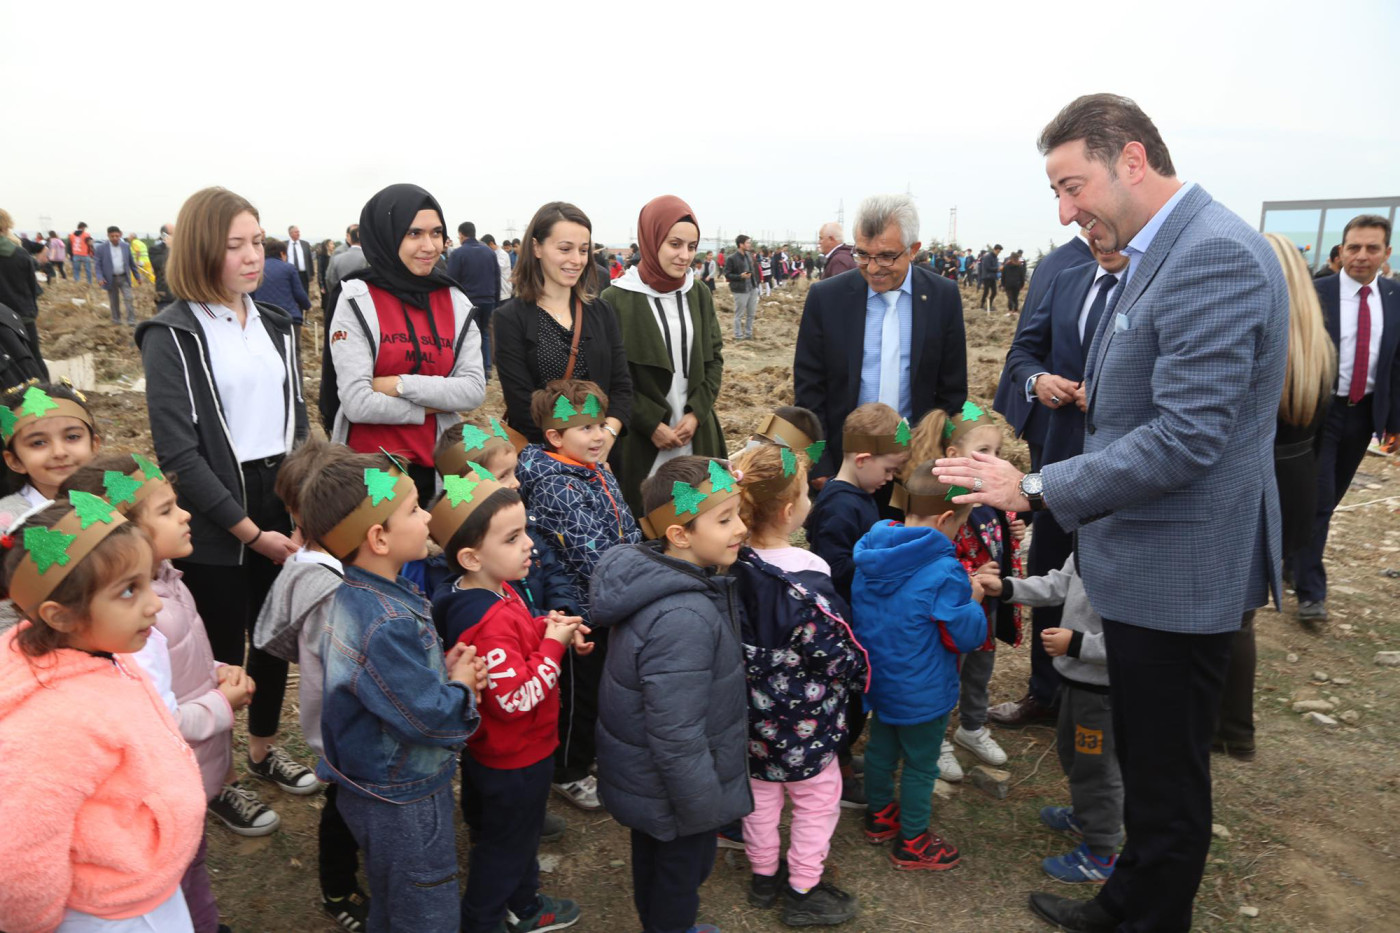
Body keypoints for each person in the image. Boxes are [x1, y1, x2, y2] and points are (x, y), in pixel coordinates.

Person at [934, 93, 1289, 932]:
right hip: (1146, 561)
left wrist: (1034, 487)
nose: (1066, 212)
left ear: (1131, 159)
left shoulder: (1212, 255)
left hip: (1181, 570)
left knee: (1167, 779)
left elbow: (1186, 437)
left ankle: (1148, 916)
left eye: (1072, 186)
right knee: (1148, 761)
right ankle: (1127, 900)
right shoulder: (1164, 251)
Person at [136, 186, 318, 815]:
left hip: (279, 495)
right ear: (200, 250)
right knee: (213, 652)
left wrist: (299, 506)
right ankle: (216, 781)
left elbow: (297, 420)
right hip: (216, 511)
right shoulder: (172, 333)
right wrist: (248, 532)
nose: (251, 256)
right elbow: (179, 453)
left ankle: (264, 749)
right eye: (234, 245)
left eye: (257, 242)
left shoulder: (276, 324)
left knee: (273, 637)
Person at [64, 454, 257, 933]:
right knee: (179, 870)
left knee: (193, 865)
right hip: (168, 785)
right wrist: (222, 704)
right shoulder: (135, 625)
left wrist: (217, 671)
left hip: (192, 770)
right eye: (168, 510)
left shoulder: (167, 580)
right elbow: (159, 717)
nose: (186, 514)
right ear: (125, 533)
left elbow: (183, 657)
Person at [0, 494, 206, 933]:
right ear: (60, 616)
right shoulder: (53, 723)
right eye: (129, 590)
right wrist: (34, 924)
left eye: (147, 582)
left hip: (139, 886)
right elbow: (17, 855)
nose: (154, 604)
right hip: (113, 914)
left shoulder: (99, 649)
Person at [307, 452, 489, 933]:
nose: (427, 516)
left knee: (394, 897)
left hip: (376, 787)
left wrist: (439, 672)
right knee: (425, 909)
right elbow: (428, 718)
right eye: (413, 509)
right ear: (379, 538)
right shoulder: (384, 621)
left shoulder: (362, 596)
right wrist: (461, 686)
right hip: (402, 798)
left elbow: (386, 688)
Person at [591, 456, 752, 933]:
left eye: (738, 514)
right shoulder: (684, 617)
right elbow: (676, 732)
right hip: (678, 792)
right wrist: (703, 809)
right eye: (724, 520)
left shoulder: (662, 579)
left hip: (656, 788)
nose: (741, 528)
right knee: (679, 880)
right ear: (680, 534)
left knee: (657, 868)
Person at [428, 469, 585, 933]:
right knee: (508, 846)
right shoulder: (490, 619)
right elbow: (515, 699)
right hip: (516, 757)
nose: (529, 544)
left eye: (525, 531)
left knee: (505, 835)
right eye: (513, 538)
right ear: (471, 556)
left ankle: (524, 901)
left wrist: (547, 628)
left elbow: (516, 642)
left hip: (490, 751)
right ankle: (485, 919)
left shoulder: (486, 589)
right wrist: (553, 648)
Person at [1213, 233, 1338, 762]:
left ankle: (1229, 726)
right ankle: (1234, 728)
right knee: (1244, 613)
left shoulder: (1253, 336)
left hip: (1251, 482)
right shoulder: (1317, 344)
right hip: (1296, 480)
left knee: (1229, 613)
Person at [730, 442, 866, 926]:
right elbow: (834, 654)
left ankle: (763, 877)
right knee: (816, 801)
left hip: (750, 721)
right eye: (807, 493)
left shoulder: (729, 566)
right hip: (806, 725)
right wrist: (857, 674)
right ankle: (803, 886)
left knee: (760, 799)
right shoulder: (809, 577)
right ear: (790, 511)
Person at [993, 241, 1128, 728]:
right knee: (1050, 565)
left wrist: (1112, 395)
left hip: (1125, 464)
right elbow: (1023, 350)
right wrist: (1038, 379)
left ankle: (1113, 694)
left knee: (1115, 576)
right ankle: (1046, 694)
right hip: (1060, 457)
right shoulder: (1068, 280)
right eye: (1092, 231)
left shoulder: (1157, 285)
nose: (1101, 241)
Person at [251, 440, 369, 931]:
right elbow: (328, 681)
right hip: (346, 734)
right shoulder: (329, 589)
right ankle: (337, 888)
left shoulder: (325, 566)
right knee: (344, 809)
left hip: (346, 731)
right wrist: (329, 744)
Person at [851, 465, 987, 871]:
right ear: (945, 519)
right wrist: (974, 599)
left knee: (880, 750)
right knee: (921, 764)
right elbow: (964, 636)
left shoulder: (873, 552)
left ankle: (879, 815)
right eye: (960, 525)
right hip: (923, 690)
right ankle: (912, 840)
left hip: (881, 680)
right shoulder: (944, 570)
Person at [515, 379, 642, 810]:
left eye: (601, 425)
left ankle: (589, 754)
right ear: (555, 436)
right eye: (585, 428)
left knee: (603, 687)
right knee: (579, 696)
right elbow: (592, 554)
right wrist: (639, 577)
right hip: (580, 611)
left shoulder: (594, 467)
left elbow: (623, 523)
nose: (599, 435)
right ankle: (567, 769)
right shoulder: (557, 485)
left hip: (611, 600)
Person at [794, 194, 967, 494]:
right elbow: (809, 388)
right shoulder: (827, 298)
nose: (873, 268)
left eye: (887, 256)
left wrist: (933, 458)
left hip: (915, 468)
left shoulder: (942, 297)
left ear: (913, 250)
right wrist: (819, 463)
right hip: (844, 467)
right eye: (863, 255)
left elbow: (952, 390)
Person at [327, 183, 486, 504]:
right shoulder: (357, 298)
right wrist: (437, 402)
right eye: (414, 233)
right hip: (372, 474)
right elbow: (358, 404)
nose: (429, 246)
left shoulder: (456, 301)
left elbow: (473, 391)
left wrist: (398, 384)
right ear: (387, 235)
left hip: (439, 469)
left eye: (437, 233)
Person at [979, 554, 1122, 884]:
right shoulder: (1089, 537)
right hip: (1073, 678)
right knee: (1071, 753)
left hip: (1101, 690)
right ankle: (1085, 816)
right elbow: (1058, 583)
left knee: (1097, 769)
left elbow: (1132, 640)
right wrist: (1007, 588)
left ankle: (1101, 852)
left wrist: (1077, 644)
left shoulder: (1136, 559)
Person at [904, 403, 1019, 782]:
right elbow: (933, 557)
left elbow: (996, 543)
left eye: (998, 452)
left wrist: (1012, 533)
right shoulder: (945, 502)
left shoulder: (992, 501)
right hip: (953, 610)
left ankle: (972, 727)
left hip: (984, 611)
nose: (993, 459)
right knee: (948, 673)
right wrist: (973, 576)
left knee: (980, 671)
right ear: (953, 454)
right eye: (983, 451)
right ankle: (937, 738)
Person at [1293, 214, 1399, 623]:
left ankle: (1292, 559)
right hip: (1319, 413)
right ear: (1341, 250)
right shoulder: (1315, 293)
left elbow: (1396, 363)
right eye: (1353, 247)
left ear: (1386, 253)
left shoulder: (1394, 296)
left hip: (1365, 414)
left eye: (1372, 248)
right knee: (1319, 501)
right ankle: (1310, 594)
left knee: (1331, 498)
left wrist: (1394, 422)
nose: (1361, 255)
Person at [804, 401, 909, 807]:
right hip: (842, 621)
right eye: (889, 470)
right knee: (845, 701)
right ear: (863, 459)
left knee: (855, 698)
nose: (890, 479)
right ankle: (838, 768)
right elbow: (833, 569)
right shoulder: (840, 505)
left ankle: (843, 752)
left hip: (858, 615)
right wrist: (882, 564)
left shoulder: (861, 494)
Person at [602, 195, 727, 515]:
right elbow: (610, 376)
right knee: (649, 517)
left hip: (696, 432)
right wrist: (650, 423)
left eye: (691, 246)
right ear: (651, 239)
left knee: (703, 516)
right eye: (674, 244)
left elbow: (714, 359)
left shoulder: (698, 293)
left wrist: (696, 413)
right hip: (642, 439)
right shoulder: (616, 299)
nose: (685, 256)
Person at [493, 201, 631, 449]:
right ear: (536, 247)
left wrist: (607, 436)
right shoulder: (509, 318)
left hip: (603, 454)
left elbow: (621, 387)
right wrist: (577, 450)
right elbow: (522, 405)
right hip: (548, 459)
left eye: (583, 250)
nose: (576, 260)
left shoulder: (602, 312)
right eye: (565, 249)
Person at [447, 221, 501, 377]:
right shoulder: (489, 252)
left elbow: (451, 281)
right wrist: (496, 301)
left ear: (461, 235)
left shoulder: (458, 253)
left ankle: (473, 371)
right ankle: (487, 368)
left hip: (468, 301)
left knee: (468, 336)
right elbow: (497, 278)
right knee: (484, 333)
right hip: (488, 299)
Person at [0, 209, 45, 369]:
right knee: (34, 360)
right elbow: (33, 288)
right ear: (6, 226)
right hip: (23, 316)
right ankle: (42, 386)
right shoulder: (21, 254)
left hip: (2, 321)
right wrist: (31, 311)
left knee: (8, 368)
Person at [252, 237, 312, 328]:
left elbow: (250, 294)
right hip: (288, 317)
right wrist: (307, 306)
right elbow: (299, 293)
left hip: (263, 318)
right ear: (282, 253)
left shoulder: (256, 269)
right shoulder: (289, 268)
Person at [725, 234, 759, 340]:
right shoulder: (731, 258)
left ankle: (748, 335)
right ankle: (738, 336)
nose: (749, 244)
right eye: (748, 242)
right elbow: (727, 274)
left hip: (752, 288)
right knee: (739, 314)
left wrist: (756, 284)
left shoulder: (749, 255)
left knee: (751, 314)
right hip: (740, 289)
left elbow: (753, 270)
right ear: (741, 244)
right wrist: (740, 276)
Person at [324, 223, 367, 297]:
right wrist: (338, 292)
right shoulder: (339, 251)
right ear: (348, 235)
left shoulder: (365, 251)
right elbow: (330, 277)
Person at [150, 223, 175, 310]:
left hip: (180, 296)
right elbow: (161, 265)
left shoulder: (181, 250)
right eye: (173, 234)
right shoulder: (155, 250)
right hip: (165, 296)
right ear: (164, 236)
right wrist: (169, 248)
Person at [484, 234, 513, 304]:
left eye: (486, 247)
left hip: (504, 293)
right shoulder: (493, 254)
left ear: (491, 243)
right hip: (496, 292)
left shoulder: (502, 254)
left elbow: (496, 268)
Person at [286, 224, 313, 295]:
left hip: (303, 275)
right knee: (291, 293)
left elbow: (309, 260)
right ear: (290, 233)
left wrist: (311, 274)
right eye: (296, 232)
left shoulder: (305, 244)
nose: (298, 234)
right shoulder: (284, 245)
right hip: (289, 274)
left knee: (304, 293)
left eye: (298, 232)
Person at [978, 244, 1002, 311]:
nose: (998, 253)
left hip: (993, 277)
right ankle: (982, 305)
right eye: (998, 251)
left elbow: (995, 267)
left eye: (999, 252)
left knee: (994, 292)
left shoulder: (995, 258)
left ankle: (990, 305)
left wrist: (998, 269)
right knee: (986, 291)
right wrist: (997, 269)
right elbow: (987, 267)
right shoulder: (987, 257)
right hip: (987, 277)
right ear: (995, 249)